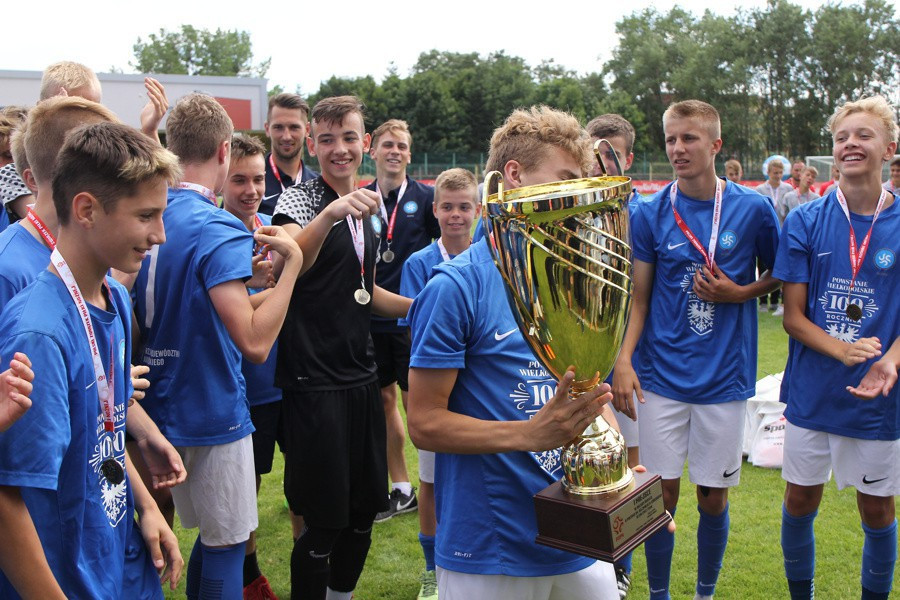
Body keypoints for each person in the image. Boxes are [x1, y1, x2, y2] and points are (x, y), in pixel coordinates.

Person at [407, 105, 622, 600]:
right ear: (514, 175)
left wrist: (618, 475)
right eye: (565, 179)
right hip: (491, 548)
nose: (577, 195)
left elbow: (587, 389)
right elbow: (423, 423)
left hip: (580, 535)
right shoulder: (455, 286)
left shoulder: (572, 276)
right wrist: (528, 434)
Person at [0, 121, 183, 598]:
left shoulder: (114, 297)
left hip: (118, 555)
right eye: (146, 216)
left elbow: (104, 429)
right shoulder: (40, 335)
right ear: (86, 210)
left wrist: (145, 506)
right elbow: (8, 495)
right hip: (67, 578)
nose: (160, 234)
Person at [132, 93, 303, 600]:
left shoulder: (152, 209)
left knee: (176, 540)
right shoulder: (216, 224)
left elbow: (192, 305)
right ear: (225, 151)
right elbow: (254, 342)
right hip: (208, 405)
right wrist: (292, 268)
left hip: (151, 403)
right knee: (226, 545)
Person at [612, 100, 780, 600]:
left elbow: (780, 274)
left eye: (689, 138)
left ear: (715, 144)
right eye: (670, 139)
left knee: (712, 497)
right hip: (661, 378)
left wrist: (740, 292)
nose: (678, 149)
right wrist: (623, 359)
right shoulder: (649, 211)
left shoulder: (753, 209)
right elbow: (640, 297)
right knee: (659, 496)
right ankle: (659, 595)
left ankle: (705, 593)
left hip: (724, 379)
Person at [273, 95, 411, 600]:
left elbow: (365, 289)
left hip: (361, 378)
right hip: (314, 383)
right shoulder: (300, 200)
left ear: (365, 143)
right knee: (323, 522)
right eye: (327, 139)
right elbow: (290, 262)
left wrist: (419, 307)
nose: (339, 149)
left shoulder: (366, 207)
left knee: (362, 515)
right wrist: (329, 214)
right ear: (312, 145)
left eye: (349, 138)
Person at [773, 95, 899, 600]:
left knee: (877, 508)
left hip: (877, 396)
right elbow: (793, 316)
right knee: (800, 500)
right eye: (842, 137)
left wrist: (890, 359)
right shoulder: (806, 219)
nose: (850, 144)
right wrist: (843, 351)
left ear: (889, 148)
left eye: (864, 135)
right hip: (813, 390)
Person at [399, 167, 477, 600]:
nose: (456, 215)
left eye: (464, 206)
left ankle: (469, 556)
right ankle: (431, 570)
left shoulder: (490, 258)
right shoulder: (419, 263)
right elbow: (416, 330)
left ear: (478, 210)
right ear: (434, 210)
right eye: (447, 207)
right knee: (429, 481)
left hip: (480, 392)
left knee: (474, 478)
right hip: (438, 392)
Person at [364, 119, 440, 523]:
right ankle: (402, 487)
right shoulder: (361, 199)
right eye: (387, 144)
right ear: (372, 151)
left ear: (410, 154)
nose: (394, 151)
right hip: (370, 320)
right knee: (382, 403)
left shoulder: (427, 199)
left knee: (420, 408)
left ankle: (435, 486)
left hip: (413, 323)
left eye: (402, 146)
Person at [585, 112, 644, 599]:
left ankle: (620, 568)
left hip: (630, 365)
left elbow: (642, 296)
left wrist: (624, 361)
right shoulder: (575, 204)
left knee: (625, 464)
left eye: (612, 153)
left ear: (629, 156)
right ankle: (586, 560)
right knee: (584, 460)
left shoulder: (639, 211)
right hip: (581, 360)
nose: (603, 161)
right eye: (595, 151)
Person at [220, 132, 281, 599]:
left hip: (279, 380)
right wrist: (254, 285)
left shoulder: (273, 229)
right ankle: (244, 577)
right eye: (239, 179)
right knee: (236, 493)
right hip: (236, 383)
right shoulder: (215, 234)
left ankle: (252, 571)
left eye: (258, 179)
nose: (251, 189)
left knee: (262, 483)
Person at [262, 93, 319, 215]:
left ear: (307, 130)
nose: (286, 136)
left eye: (294, 127)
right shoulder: (250, 182)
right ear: (267, 129)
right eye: (278, 127)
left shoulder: (319, 186)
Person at [756, 160, 795, 314]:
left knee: (778, 267)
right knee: (763, 266)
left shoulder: (788, 189)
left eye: (780, 173)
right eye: (775, 173)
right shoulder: (760, 189)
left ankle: (774, 300)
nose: (778, 175)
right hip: (764, 233)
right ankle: (762, 301)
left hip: (782, 233)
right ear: (768, 173)